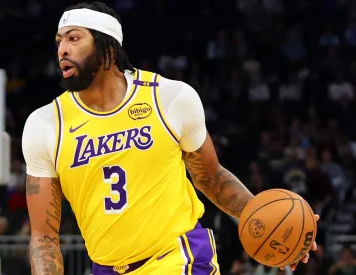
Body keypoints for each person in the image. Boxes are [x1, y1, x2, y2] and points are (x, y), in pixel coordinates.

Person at [22, 2, 318, 274]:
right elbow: (44, 238)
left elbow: (210, 177)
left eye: (74, 39)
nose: (62, 49)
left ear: (108, 48)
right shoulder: (46, 125)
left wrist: (270, 223)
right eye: (59, 41)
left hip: (179, 256)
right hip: (107, 267)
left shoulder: (169, 98)